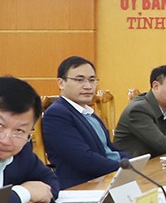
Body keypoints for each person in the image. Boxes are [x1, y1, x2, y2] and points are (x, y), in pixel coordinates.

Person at [42, 56, 123, 189]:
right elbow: (83, 159)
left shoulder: (88, 112)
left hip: (106, 178)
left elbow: (110, 149)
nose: (88, 86)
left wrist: (133, 162)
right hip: (82, 187)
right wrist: (123, 168)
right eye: (79, 80)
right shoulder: (57, 114)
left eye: (92, 80)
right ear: (61, 83)